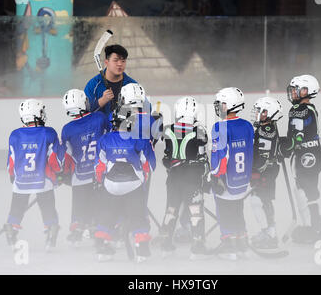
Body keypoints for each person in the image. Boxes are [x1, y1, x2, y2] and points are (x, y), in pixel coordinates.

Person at [93, 97, 156, 263]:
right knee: (138, 215)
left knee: (107, 213)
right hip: (133, 184)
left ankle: (103, 245)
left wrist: (101, 182)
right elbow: (147, 164)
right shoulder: (139, 138)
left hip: (111, 185)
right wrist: (143, 179)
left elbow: (99, 166)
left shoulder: (104, 140)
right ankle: (142, 249)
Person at [4, 99, 63, 251]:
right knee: (47, 207)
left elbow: (12, 160)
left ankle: (11, 227)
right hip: (43, 181)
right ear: (39, 114)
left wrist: (12, 175)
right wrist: (59, 173)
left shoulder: (15, 135)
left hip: (21, 181)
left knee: (17, 208)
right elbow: (55, 159)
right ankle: (51, 231)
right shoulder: (48, 132)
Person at [158, 96, 212, 260]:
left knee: (171, 210)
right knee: (195, 211)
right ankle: (197, 247)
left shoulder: (168, 129)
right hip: (192, 178)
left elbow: (166, 158)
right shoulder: (199, 131)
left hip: (174, 179)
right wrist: (207, 179)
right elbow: (203, 160)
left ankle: (165, 246)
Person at [206, 87, 254, 260]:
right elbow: (250, 153)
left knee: (224, 212)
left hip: (226, 182)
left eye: (221, 103)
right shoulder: (248, 126)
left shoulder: (220, 126)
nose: (218, 106)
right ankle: (242, 243)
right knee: (237, 210)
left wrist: (215, 176)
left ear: (231, 104)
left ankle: (229, 247)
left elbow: (222, 156)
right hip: (242, 182)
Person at [279, 74, 321, 244]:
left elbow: (297, 137)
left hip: (306, 156)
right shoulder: (309, 108)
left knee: (304, 192)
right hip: (313, 154)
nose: (293, 93)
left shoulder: (300, 110)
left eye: (297, 90)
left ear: (307, 91)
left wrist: (285, 148)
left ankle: (313, 229)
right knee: (307, 191)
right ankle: (314, 227)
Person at [60, 89, 109, 246]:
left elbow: (66, 156)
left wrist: (62, 174)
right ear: (85, 103)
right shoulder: (100, 118)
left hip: (79, 175)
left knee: (79, 203)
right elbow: (112, 133)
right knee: (100, 201)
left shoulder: (67, 129)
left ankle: (77, 226)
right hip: (99, 173)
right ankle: (96, 225)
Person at [249, 96, 283, 250]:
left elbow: (263, 155)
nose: (257, 114)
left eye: (261, 112)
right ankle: (269, 232)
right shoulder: (268, 127)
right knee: (263, 201)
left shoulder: (266, 129)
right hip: (267, 171)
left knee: (260, 201)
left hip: (265, 173)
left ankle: (270, 234)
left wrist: (256, 172)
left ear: (270, 113)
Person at [84, 44, 138, 116]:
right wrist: (102, 101)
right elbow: (84, 112)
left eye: (123, 61)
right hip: (101, 127)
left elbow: (145, 109)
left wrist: (135, 106)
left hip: (124, 126)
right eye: (116, 60)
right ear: (106, 62)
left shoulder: (132, 85)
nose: (120, 64)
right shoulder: (94, 85)